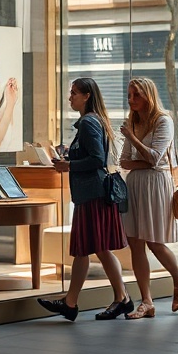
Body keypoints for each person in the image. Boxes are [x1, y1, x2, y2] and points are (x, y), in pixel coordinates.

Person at [37, 78, 133, 321]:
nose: (70, 97)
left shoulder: (89, 122)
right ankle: (74, 302)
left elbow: (97, 159)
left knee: (94, 248)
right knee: (88, 249)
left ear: (87, 96)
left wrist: (68, 164)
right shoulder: (91, 121)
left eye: (74, 93)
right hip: (91, 194)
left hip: (93, 195)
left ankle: (119, 298)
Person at [119, 77, 178, 319]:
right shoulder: (133, 121)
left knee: (154, 241)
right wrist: (139, 155)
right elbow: (124, 160)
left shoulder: (163, 120)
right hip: (135, 184)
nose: (131, 100)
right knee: (135, 243)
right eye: (129, 95)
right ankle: (146, 301)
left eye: (136, 95)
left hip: (156, 184)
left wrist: (132, 138)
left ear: (148, 95)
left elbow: (155, 158)